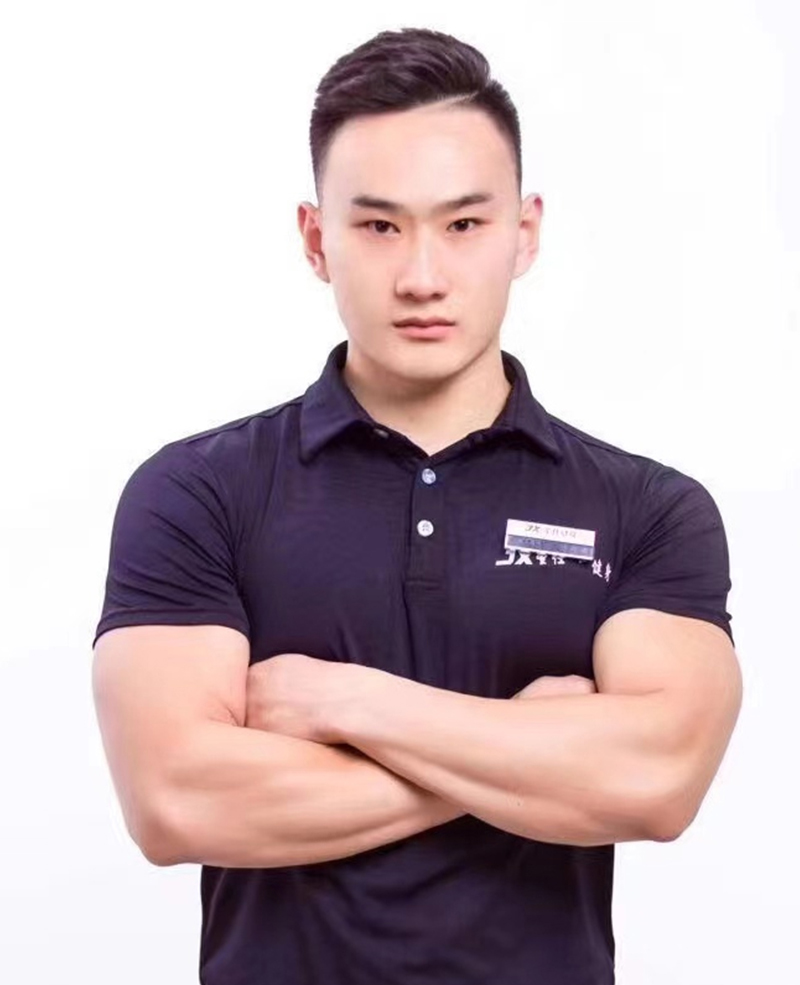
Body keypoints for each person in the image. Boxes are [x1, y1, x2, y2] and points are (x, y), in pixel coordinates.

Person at [91, 26, 743, 985]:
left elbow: (655, 783)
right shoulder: (197, 492)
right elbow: (175, 801)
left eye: (464, 224)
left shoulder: (647, 508)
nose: (423, 276)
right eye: (379, 226)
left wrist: (345, 701)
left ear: (525, 232)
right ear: (316, 239)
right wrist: (528, 744)